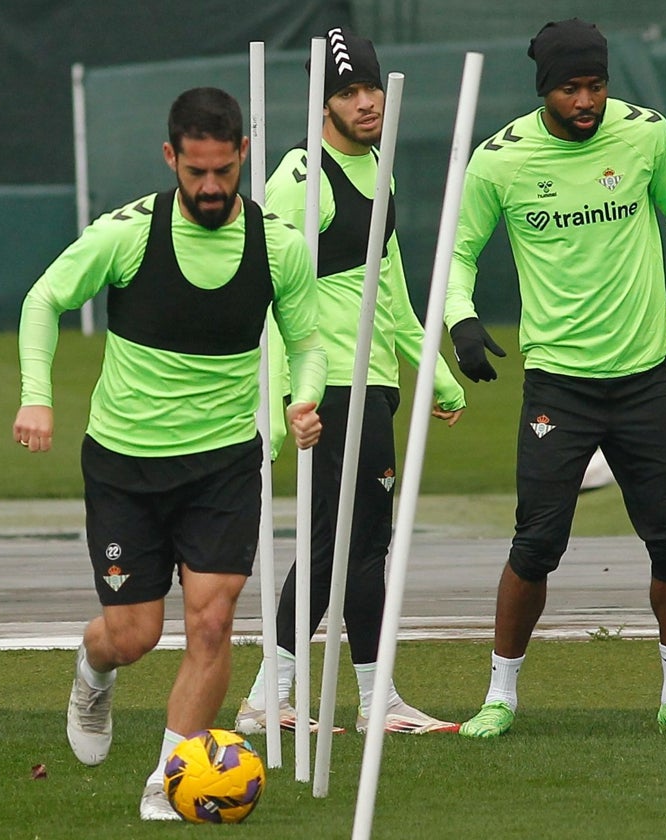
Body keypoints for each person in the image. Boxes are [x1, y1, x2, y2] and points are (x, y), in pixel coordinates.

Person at [11, 86, 326, 820]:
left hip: (222, 464)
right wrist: (37, 393)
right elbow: (42, 300)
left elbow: (308, 342)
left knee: (212, 622)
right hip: (124, 463)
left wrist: (301, 400)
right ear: (170, 158)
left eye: (224, 170)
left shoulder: (279, 246)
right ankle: (93, 670)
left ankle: (170, 776)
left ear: (243, 154)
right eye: (196, 173)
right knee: (134, 633)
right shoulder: (125, 234)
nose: (211, 187)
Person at [445, 19, 666, 739]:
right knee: (536, 543)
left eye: (596, 86)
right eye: (571, 88)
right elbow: (459, 252)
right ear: (546, 89)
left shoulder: (647, 135)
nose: (586, 101)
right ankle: (500, 695)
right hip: (558, 384)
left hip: (644, 376)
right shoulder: (498, 162)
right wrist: (461, 320)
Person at [234, 28, 466, 738]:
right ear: (321, 104)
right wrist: (285, 400)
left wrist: (437, 376)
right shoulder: (299, 179)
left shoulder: (380, 166)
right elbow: (266, 293)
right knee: (346, 545)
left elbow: (386, 285)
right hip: (329, 388)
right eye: (348, 93)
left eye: (371, 87)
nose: (366, 103)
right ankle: (282, 699)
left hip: (374, 384)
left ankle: (362, 698)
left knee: (359, 543)